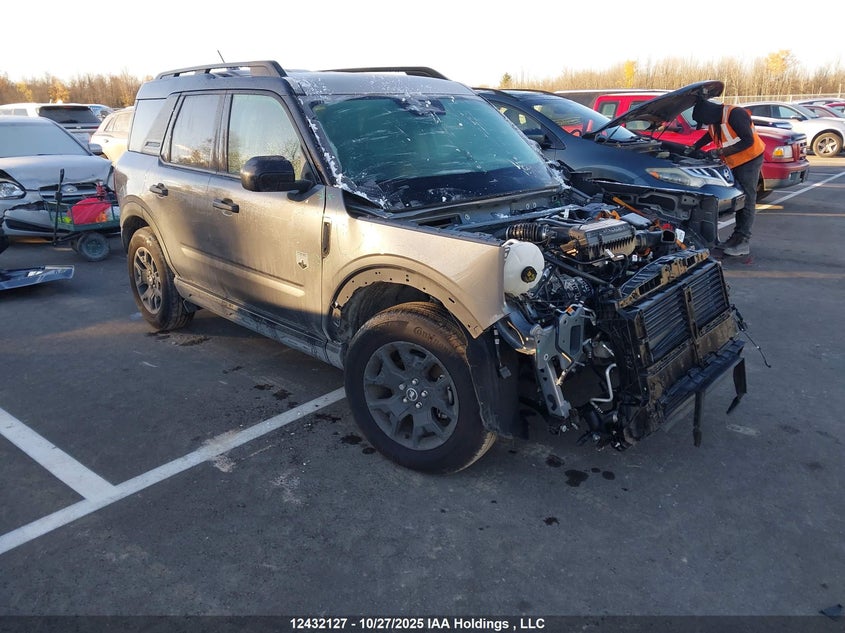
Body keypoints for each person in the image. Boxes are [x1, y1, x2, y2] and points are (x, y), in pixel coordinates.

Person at [689, 99, 765, 256]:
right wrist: (694, 147)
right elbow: (711, 135)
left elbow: (748, 140)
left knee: (748, 199)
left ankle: (743, 240)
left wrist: (720, 152)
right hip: (735, 161)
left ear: (709, 115)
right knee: (739, 198)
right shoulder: (714, 119)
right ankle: (735, 237)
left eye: (704, 121)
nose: (705, 125)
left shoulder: (735, 114)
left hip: (750, 158)